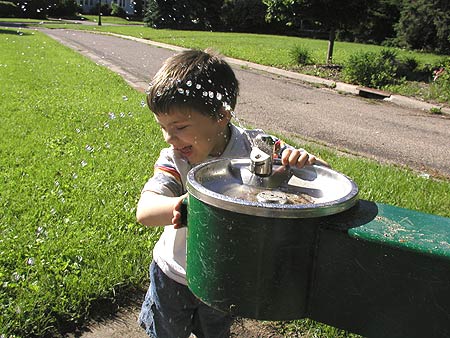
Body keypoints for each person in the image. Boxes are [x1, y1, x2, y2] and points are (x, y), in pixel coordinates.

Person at [136, 48, 327, 338]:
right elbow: (145, 211)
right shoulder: (176, 160)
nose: (169, 137)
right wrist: (186, 204)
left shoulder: (259, 146)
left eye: (179, 127)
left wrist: (303, 160)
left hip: (224, 279)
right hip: (174, 274)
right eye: (162, 127)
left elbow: (324, 176)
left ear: (222, 115)